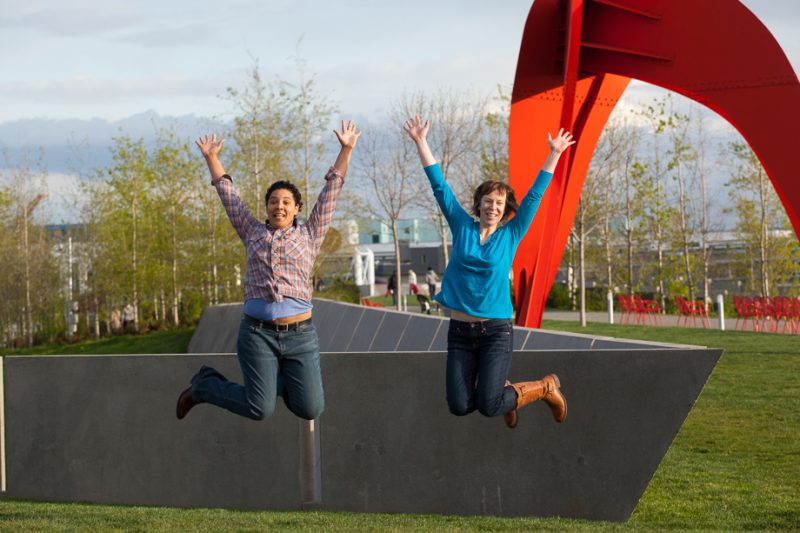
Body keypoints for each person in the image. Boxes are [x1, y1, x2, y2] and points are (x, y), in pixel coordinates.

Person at [176, 120, 361, 421]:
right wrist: (212, 158)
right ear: (266, 207)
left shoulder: (310, 234)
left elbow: (332, 191)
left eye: (286, 202)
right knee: (259, 409)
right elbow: (229, 197)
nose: (279, 206)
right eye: (274, 201)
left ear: (297, 208)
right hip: (257, 334)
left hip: (300, 336)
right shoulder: (252, 231)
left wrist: (346, 149)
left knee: (310, 408)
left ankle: (277, 376)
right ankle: (204, 387)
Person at [403, 115, 574, 429]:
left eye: (499, 202)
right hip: (460, 332)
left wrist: (554, 153)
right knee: (459, 406)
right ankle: (506, 393)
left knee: (488, 405)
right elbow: (440, 188)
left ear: (506, 208)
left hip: (495, 332)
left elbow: (535, 196)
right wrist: (421, 142)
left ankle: (543, 388)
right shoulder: (462, 226)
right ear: (478, 205)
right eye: (487, 201)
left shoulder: (510, 235)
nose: (492, 207)